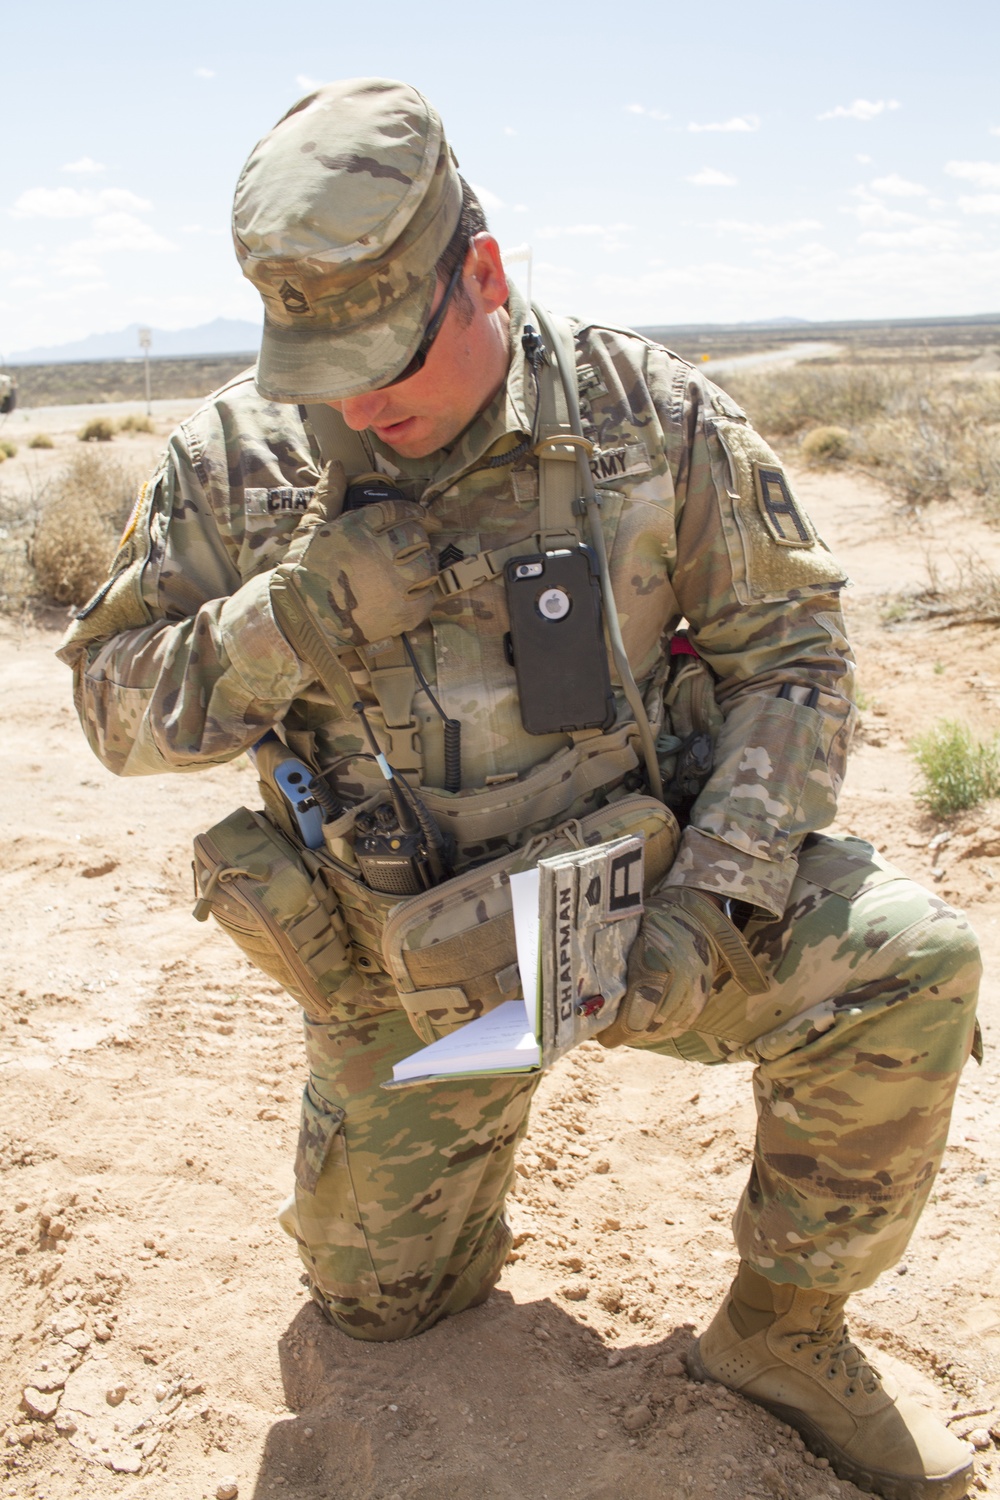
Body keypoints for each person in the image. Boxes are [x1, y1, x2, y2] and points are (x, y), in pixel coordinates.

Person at [59, 78, 980, 1500]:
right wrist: (289, 618)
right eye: (319, 362)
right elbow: (113, 709)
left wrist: (713, 907)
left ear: (479, 273)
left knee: (907, 962)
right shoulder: (239, 460)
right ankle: (442, 1196)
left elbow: (793, 659)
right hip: (413, 980)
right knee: (382, 1310)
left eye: (382, 353)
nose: (355, 401)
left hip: (654, 912)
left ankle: (784, 1332)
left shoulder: (646, 414)